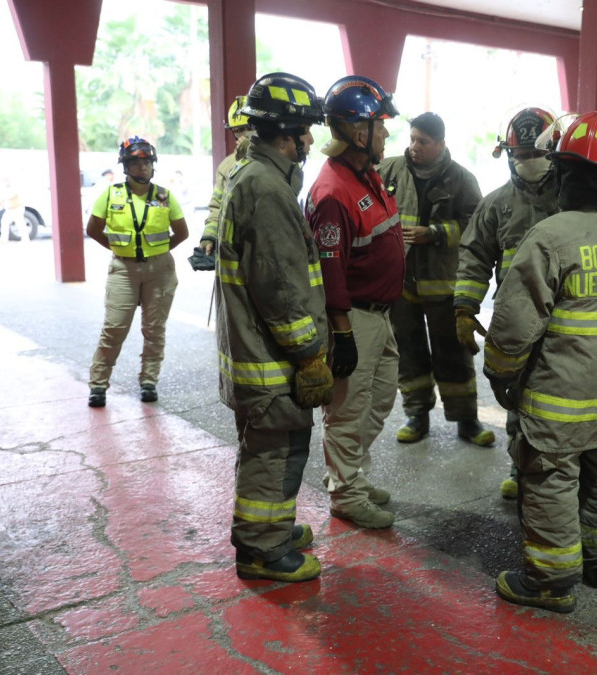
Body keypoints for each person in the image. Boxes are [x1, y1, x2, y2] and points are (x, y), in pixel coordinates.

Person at [484, 112, 597, 613]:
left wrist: (499, 373)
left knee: (550, 479)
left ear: (566, 173)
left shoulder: (550, 236)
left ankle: (549, 580)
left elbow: (513, 327)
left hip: (559, 397)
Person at [215, 72, 333, 583]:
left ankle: (271, 528)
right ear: (285, 133)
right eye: (305, 130)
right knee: (274, 450)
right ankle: (263, 551)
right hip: (272, 360)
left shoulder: (256, 177)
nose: (310, 140)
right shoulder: (266, 190)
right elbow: (282, 289)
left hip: (256, 352)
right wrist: (308, 354)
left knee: (268, 448)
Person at [306, 75, 404, 529]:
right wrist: (341, 332)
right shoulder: (332, 193)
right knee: (346, 411)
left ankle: (354, 477)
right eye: (381, 127)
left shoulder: (367, 176)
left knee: (378, 400)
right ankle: (345, 494)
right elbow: (330, 271)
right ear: (358, 131)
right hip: (356, 319)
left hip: (380, 316)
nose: (386, 135)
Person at [454, 106, 558, 498]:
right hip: (517, 319)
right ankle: (521, 469)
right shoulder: (496, 204)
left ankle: (564, 477)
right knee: (519, 394)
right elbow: (474, 257)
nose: (529, 162)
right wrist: (464, 309)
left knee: (563, 402)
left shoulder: (574, 197)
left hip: (567, 319)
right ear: (509, 155)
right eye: (522, 155)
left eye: (537, 154)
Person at [377, 113, 493, 446]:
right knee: (408, 351)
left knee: (454, 353)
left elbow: (477, 226)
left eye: (423, 142)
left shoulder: (461, 179)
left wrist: (436, 233)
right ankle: (417, 415)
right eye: (412, 139)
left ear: (440, 144)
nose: (414, 147)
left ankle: (467, 420)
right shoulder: (390, 171)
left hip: (443, 283)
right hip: (401, 282)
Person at [85, 136, 189, 407]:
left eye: (147, 163)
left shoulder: (164, 195)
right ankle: (98, 384)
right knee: (114, 328)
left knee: (154, 329)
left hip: (160, 270)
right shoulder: (111, 194)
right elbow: (93, 230)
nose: (142, 168)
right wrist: (121, 249)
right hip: (123, 270)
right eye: (135, 163)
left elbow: (182, 232)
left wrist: (158, 251)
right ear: (125, 167)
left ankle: (149, 381)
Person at [200, 96, 253, 255]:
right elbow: (217, 206)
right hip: (234, 249)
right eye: (236, 131)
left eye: (246, 128)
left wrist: (253, 154)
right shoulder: (226, 166)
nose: (241, 135)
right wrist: (209, 236)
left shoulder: (279, 160)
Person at [0, 174, 26, 243]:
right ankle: (4, 239)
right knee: (4, 222)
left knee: (20, 224)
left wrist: (3, 202)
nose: (5, 182)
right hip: (10, 210)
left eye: (6, 180)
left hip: (16, 209)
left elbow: (13, 198)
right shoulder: (6, 188)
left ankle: (25, 239)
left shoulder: (14, 187)